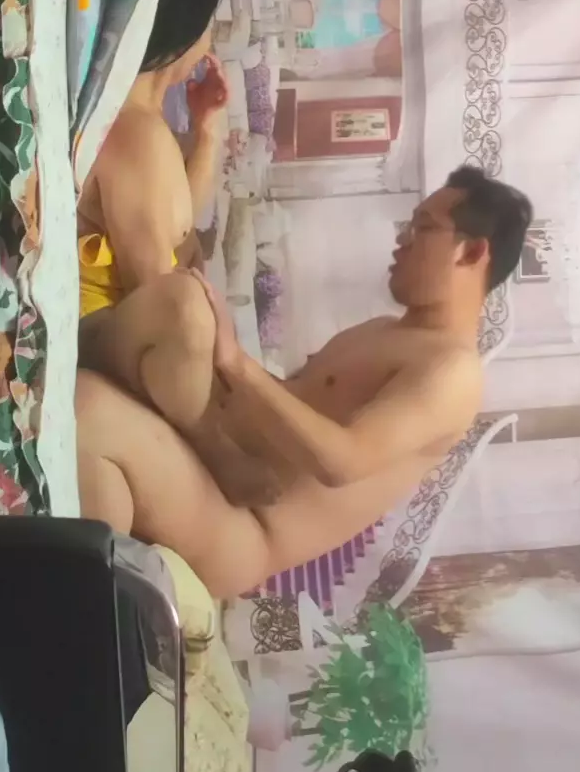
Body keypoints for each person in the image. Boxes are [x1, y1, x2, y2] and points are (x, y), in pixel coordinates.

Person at [76, 166, 532, 599]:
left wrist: (236, 363)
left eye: (423, 228)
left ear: (471, 253)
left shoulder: (454, 373)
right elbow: (281, 402)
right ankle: (195, 433)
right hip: (211, 450)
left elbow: (343, 462)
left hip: (240, 525)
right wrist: (205, 344)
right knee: (182, 304)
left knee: (86, 408)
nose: (402, 239)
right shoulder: (384, 331)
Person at [76, 0, 229, 327]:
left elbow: (174, 224)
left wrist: (206, 133)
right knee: (193, 318)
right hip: (102, 344)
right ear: (182, 31)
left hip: (115, 337)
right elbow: (164, 314)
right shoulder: (137, 137)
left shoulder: (139, 123)